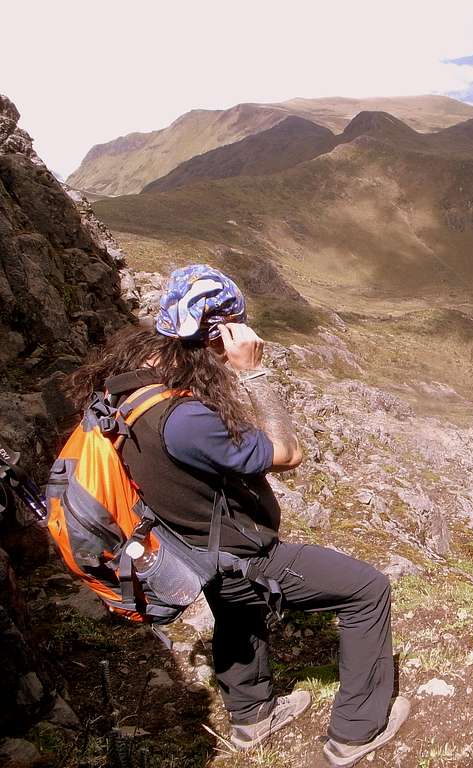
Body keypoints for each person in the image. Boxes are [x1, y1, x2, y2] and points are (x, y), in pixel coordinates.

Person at [66, 264, 408, 766]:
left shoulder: (134, 382)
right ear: (220, 335)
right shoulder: (185, 421)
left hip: (190, 543)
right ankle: (356, 730)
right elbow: (287, 453)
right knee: (366, 590)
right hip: (240, 553)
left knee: (235, 610)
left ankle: (252, 719)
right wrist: (255, 373)